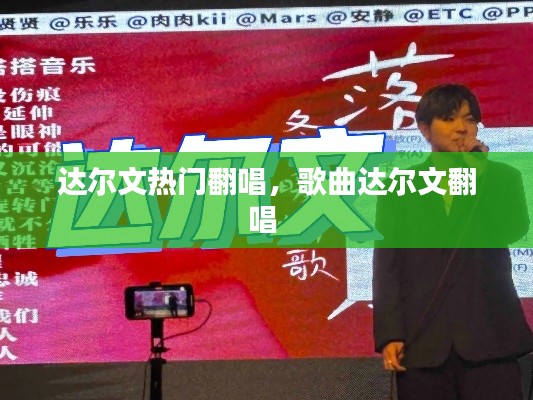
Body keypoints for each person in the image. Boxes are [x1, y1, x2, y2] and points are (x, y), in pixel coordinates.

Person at [372, 84, 533, 400]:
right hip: (423, 343)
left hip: (491, 339)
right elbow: (387, 266)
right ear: (424, 129)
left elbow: (512, 229)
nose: (462, 128)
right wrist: (389, 334)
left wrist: (478, 176)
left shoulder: (502, 177)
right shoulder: (398, 188)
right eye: (449, 119)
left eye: (469, 119)